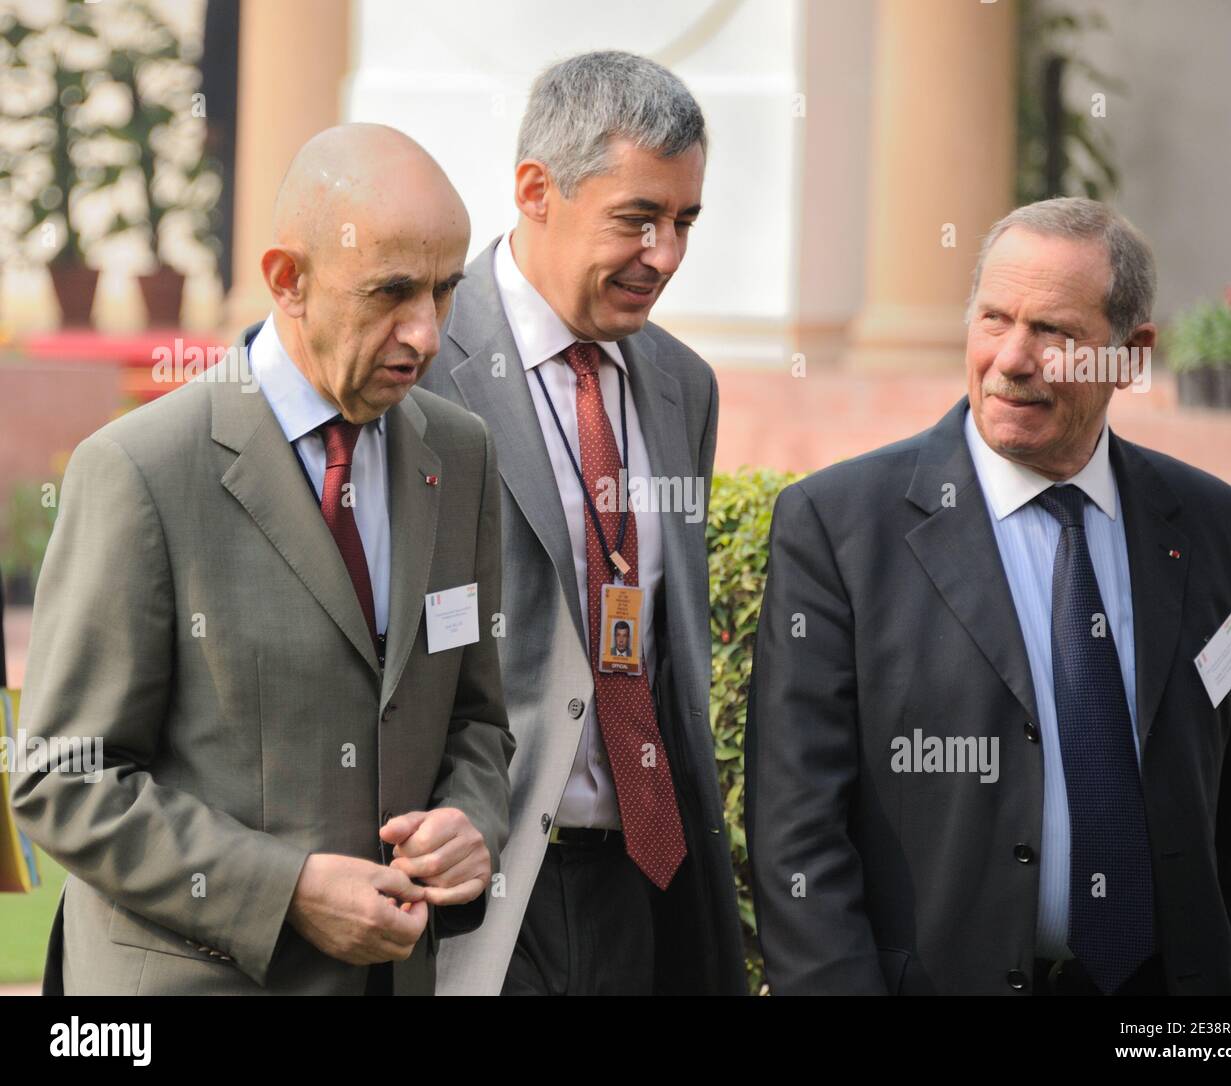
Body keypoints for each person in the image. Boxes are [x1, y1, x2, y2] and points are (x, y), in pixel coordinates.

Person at [12, 124, 514, 996]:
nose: (427, 334)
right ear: (288, 280)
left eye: (444, 291)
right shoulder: (140, 469)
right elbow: (64, 779)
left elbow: (477, 719)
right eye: (393, 292)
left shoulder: (461, 455)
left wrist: (473, 820)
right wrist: (285, 892)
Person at [746, 197, 1231, 997]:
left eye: (1055, 333)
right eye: (994, 319)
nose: (1012, 359)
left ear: (1131, 358)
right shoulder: (839, 526)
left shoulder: (1216, 526)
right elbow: (797, 832)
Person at [422, 51, 745, 995]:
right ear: (535, 190)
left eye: (683, 221)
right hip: (477, 883)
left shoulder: (685, 386)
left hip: (644, 884)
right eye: (638, 219)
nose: (667, 255)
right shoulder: (421, 360)